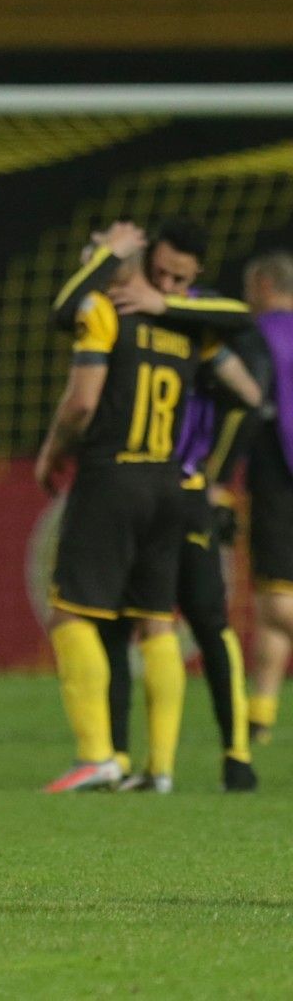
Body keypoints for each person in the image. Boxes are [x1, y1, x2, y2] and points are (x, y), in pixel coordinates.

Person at [37, 220, 255, 793]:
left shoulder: (107, 312)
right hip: (169, 487)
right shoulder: (185, 326)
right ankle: (160, 769)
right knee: (158, 621)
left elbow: (82, 403)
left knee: (71, 612)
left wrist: (53, 451)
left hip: (113, 478)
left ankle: (97, 755)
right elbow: (247, 393)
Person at [243, 250, 293, 745]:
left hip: (281, 478)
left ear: (261, 283)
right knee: (269, 602)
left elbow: (251, 404)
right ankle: (259, 717)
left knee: (278, 601)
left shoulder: (261, 335)